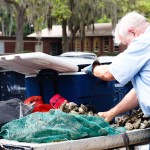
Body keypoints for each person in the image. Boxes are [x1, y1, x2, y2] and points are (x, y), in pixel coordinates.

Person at [85, 11, 150, 122]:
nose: (128, 47)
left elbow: (108, 74)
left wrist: (93, 67)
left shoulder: (143, 41)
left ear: (133, 32)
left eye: (127, 42)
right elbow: (139, 92)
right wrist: (112, 112)